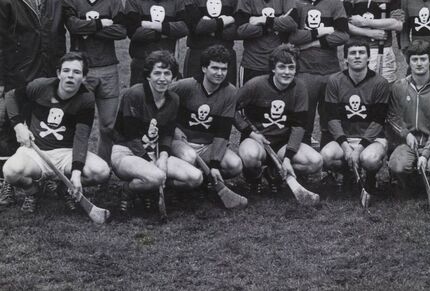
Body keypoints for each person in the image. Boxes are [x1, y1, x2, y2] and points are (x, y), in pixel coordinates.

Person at [0, 53, 110, 213]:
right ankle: (33, 191)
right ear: (59, 73)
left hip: (66, 153)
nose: (70, 76)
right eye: (66, 70)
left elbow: (81, 137)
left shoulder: (86, 99)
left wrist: (76, 173)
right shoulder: (40, 86)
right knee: (10, 171)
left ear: (84, 77)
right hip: (36, 152)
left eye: (76, 72)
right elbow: (11, 96)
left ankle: (64, 187)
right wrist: (18, 126)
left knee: (101, 171)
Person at [111, 51, 202, 215]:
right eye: (157, 73)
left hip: (155, 151)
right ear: (148, 75)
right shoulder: (134, 94)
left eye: (167, 73)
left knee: (196, 177)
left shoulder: (173, 99)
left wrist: (164, 157)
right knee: (157, 176)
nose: (162, 78)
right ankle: (127, 190)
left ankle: (149, 188)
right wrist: (150, 162)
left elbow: (167, 133)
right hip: (127, 151)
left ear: (173, 77)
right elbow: (131, 137)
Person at [61, 0, 127, 164]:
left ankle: (103, 167)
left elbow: (121, 31)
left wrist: (88, 28)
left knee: (108, 125)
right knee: (76, 124)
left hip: (108, 68)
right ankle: (73, 165)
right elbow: (73, 26)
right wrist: (101, 23)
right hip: (80, 71)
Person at [0, 0, 66, 157]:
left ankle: (40, 171)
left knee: (43, 131)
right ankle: (7, 173)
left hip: (47, 77)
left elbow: (59, 39)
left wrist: (59, 74)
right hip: (17, 78)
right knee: (13, 130)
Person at [235, 44, 322, 194]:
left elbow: (299, 125)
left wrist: (288, 157)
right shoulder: (255, 84)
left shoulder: (300, 88)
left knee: (315, 162)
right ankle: (255, 177)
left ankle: (272, 173)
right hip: (257, 141)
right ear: (273, 68)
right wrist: (250, 132)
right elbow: (230, 109)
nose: (287, 72)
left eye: (291, 67)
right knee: (250, 156)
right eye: (282, 67)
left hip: (283, 143)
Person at [289, 0, 349, 147]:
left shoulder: (335, 4)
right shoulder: (296, 5)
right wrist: (321, 32)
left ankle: (328, 158)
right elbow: (292, 36)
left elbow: (343, 35)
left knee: (330, 118)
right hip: (305, 71)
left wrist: (312, 43)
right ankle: (303, 156)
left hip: (330, 70)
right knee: (304, 118)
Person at [321, 37, 390, 192]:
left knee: (370, 159)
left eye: (361, 52)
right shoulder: (334, 81)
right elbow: (332, 119)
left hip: (372, 139)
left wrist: (359, 149)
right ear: (345, 59)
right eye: (352, 53)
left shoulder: (380, 83)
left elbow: (378, 121)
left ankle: (371, 177)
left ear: (368, 57)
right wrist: (345, 147)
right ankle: (349, 174)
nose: (357, 56)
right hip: (345, 138)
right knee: (326, 156)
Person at [171, 45, 243, 186]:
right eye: (215, 68)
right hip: (181, 143)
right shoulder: (187, 85)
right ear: (204, 68)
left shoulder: (230, 92)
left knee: (235, 165)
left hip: (207, 146)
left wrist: (215, 164)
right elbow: (161, 102)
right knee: (189, 157)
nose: (219, 73)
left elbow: (223, 131)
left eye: (223, 69)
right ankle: (171, 182)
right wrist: (173, 128)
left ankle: (203, 181)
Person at [386, 40, 430, 190]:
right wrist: (406, 134)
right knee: (397, 165)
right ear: (408, 62)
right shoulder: (399, 87)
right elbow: (393, 116)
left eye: (423, 59)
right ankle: (411, 182)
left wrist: (426, 153)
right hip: (408, 143)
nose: (419, 63)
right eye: (414, 59)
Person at [123, 0, 188, 86]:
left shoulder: (176, 1)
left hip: (168, 66)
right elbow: (134, 33)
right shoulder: (134, 1)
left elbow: (183, 28)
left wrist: (152, 25)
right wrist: (168, 31)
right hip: (141, 65)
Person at [342, 0, 404, 83]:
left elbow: (398, 23)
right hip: (357, 51)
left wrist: (365, 22)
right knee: (358, 90)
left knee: (384, 91)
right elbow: (344, 24)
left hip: (384, 51)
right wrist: (369, 33)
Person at [234, 0, 298, 83]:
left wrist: (263, 20)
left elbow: (292, 24)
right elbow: (241, 30)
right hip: (251, 64)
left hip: (279, 65)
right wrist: (275, 24)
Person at [181, 0, 240, 84]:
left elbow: (237, 30)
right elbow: (197, 27)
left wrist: (210, 26)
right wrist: (225, 21)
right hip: (197, 55)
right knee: (194, 95)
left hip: (226, 56)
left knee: (226, 95)